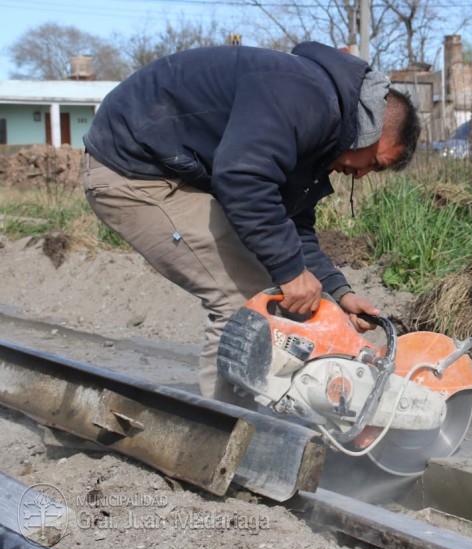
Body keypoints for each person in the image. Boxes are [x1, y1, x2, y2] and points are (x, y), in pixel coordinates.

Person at [81, 41, 421, 407]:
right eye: (374, 163)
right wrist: (290, 273)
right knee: (244, 301)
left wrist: (339, 293)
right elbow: (242, 178)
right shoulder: (305, 98)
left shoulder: (320, 129)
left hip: (172, 168)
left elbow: (288, 222)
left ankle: (269, 415)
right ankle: (228, 441)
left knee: (280, 286)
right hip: (131, 170)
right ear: (370, 129)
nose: (360, 174)